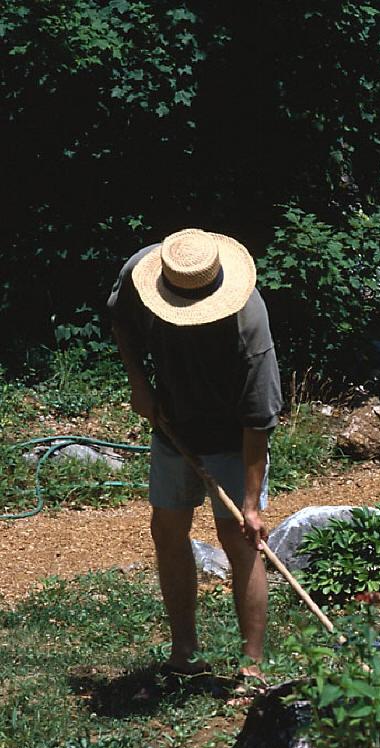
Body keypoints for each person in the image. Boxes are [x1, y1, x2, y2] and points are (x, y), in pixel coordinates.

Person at [107, 228, 282, 682]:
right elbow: (121, 323)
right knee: (167, 530)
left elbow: (259, 419)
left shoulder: (248, 322)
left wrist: (250, 505)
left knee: (240, 540)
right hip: (173, 425)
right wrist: (139, 383)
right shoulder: (144, 272)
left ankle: (252, 667)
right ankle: (184, 653)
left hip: (232, 436)